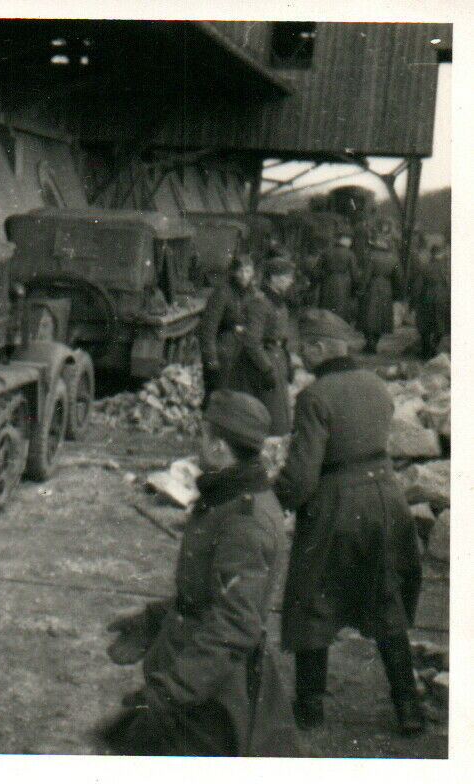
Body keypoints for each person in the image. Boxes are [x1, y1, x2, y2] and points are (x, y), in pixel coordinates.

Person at [98, 390, 296, 756]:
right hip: (195, 673)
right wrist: (155, 618)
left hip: (211, 690)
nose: (196, 442)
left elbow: (234, 625)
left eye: (202, 435)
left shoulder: (244, 519)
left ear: (219, 447)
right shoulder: (228, 499)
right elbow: (210, 593)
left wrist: (168, 693)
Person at [275, 309, 425, 735]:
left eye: (305, 346)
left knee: (312, 596)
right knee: (387, 598)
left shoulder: (314, 397)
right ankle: (409, 708)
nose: (301, 354)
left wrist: (276, 497)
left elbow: (303, 476)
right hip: (386, 497)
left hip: (336, 504)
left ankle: (310, 707)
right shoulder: (377, 386)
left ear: (321, 349)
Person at [228, 256, 293, 436]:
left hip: (275, 358)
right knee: (266, 418)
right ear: (273, 278)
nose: (290, 281)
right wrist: (267, 369)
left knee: (279, 415)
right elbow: (252, 342)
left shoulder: (277, 301)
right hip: (260, 365)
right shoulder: (260, 303)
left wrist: (286, 361)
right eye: (286, 276)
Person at [198, 255, 257, 403]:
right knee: (217, 397)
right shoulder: (222, 293)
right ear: (233, 272)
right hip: (223, 354)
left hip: (242, 355)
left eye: (248, 271)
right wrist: (211, 361)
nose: (244, 276)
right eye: (241, 271)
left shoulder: (251, 294)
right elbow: (208, 329)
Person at [356, 239, 401, 353]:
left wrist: (361, 289)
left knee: (368, 316)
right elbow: (398, 278)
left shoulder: (371, 256)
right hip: (387, 288)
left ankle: (369, 342)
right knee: (382, 317)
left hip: (373, 286)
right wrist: (397, 293)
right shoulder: (393, 259)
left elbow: (366, 275)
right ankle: (375, 342)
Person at [412, 243, 450, 359]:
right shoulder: (446, 269)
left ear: (431, 254)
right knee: (441, 324)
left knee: (425, 325)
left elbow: (418, 286)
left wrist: (413, 301)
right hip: (443, 296)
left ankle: (426, 350)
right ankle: (434, 346)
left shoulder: (425, 267)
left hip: (427, 297)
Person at [314, 234, 360, 323]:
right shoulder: (350, 254)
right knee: (340, 306)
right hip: (343, 283)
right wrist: (356, 287)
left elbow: (316, 271)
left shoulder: (326, 252)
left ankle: (325, 324)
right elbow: (354, 273)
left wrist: (322, 277)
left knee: (326, 306)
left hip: (327, 281)